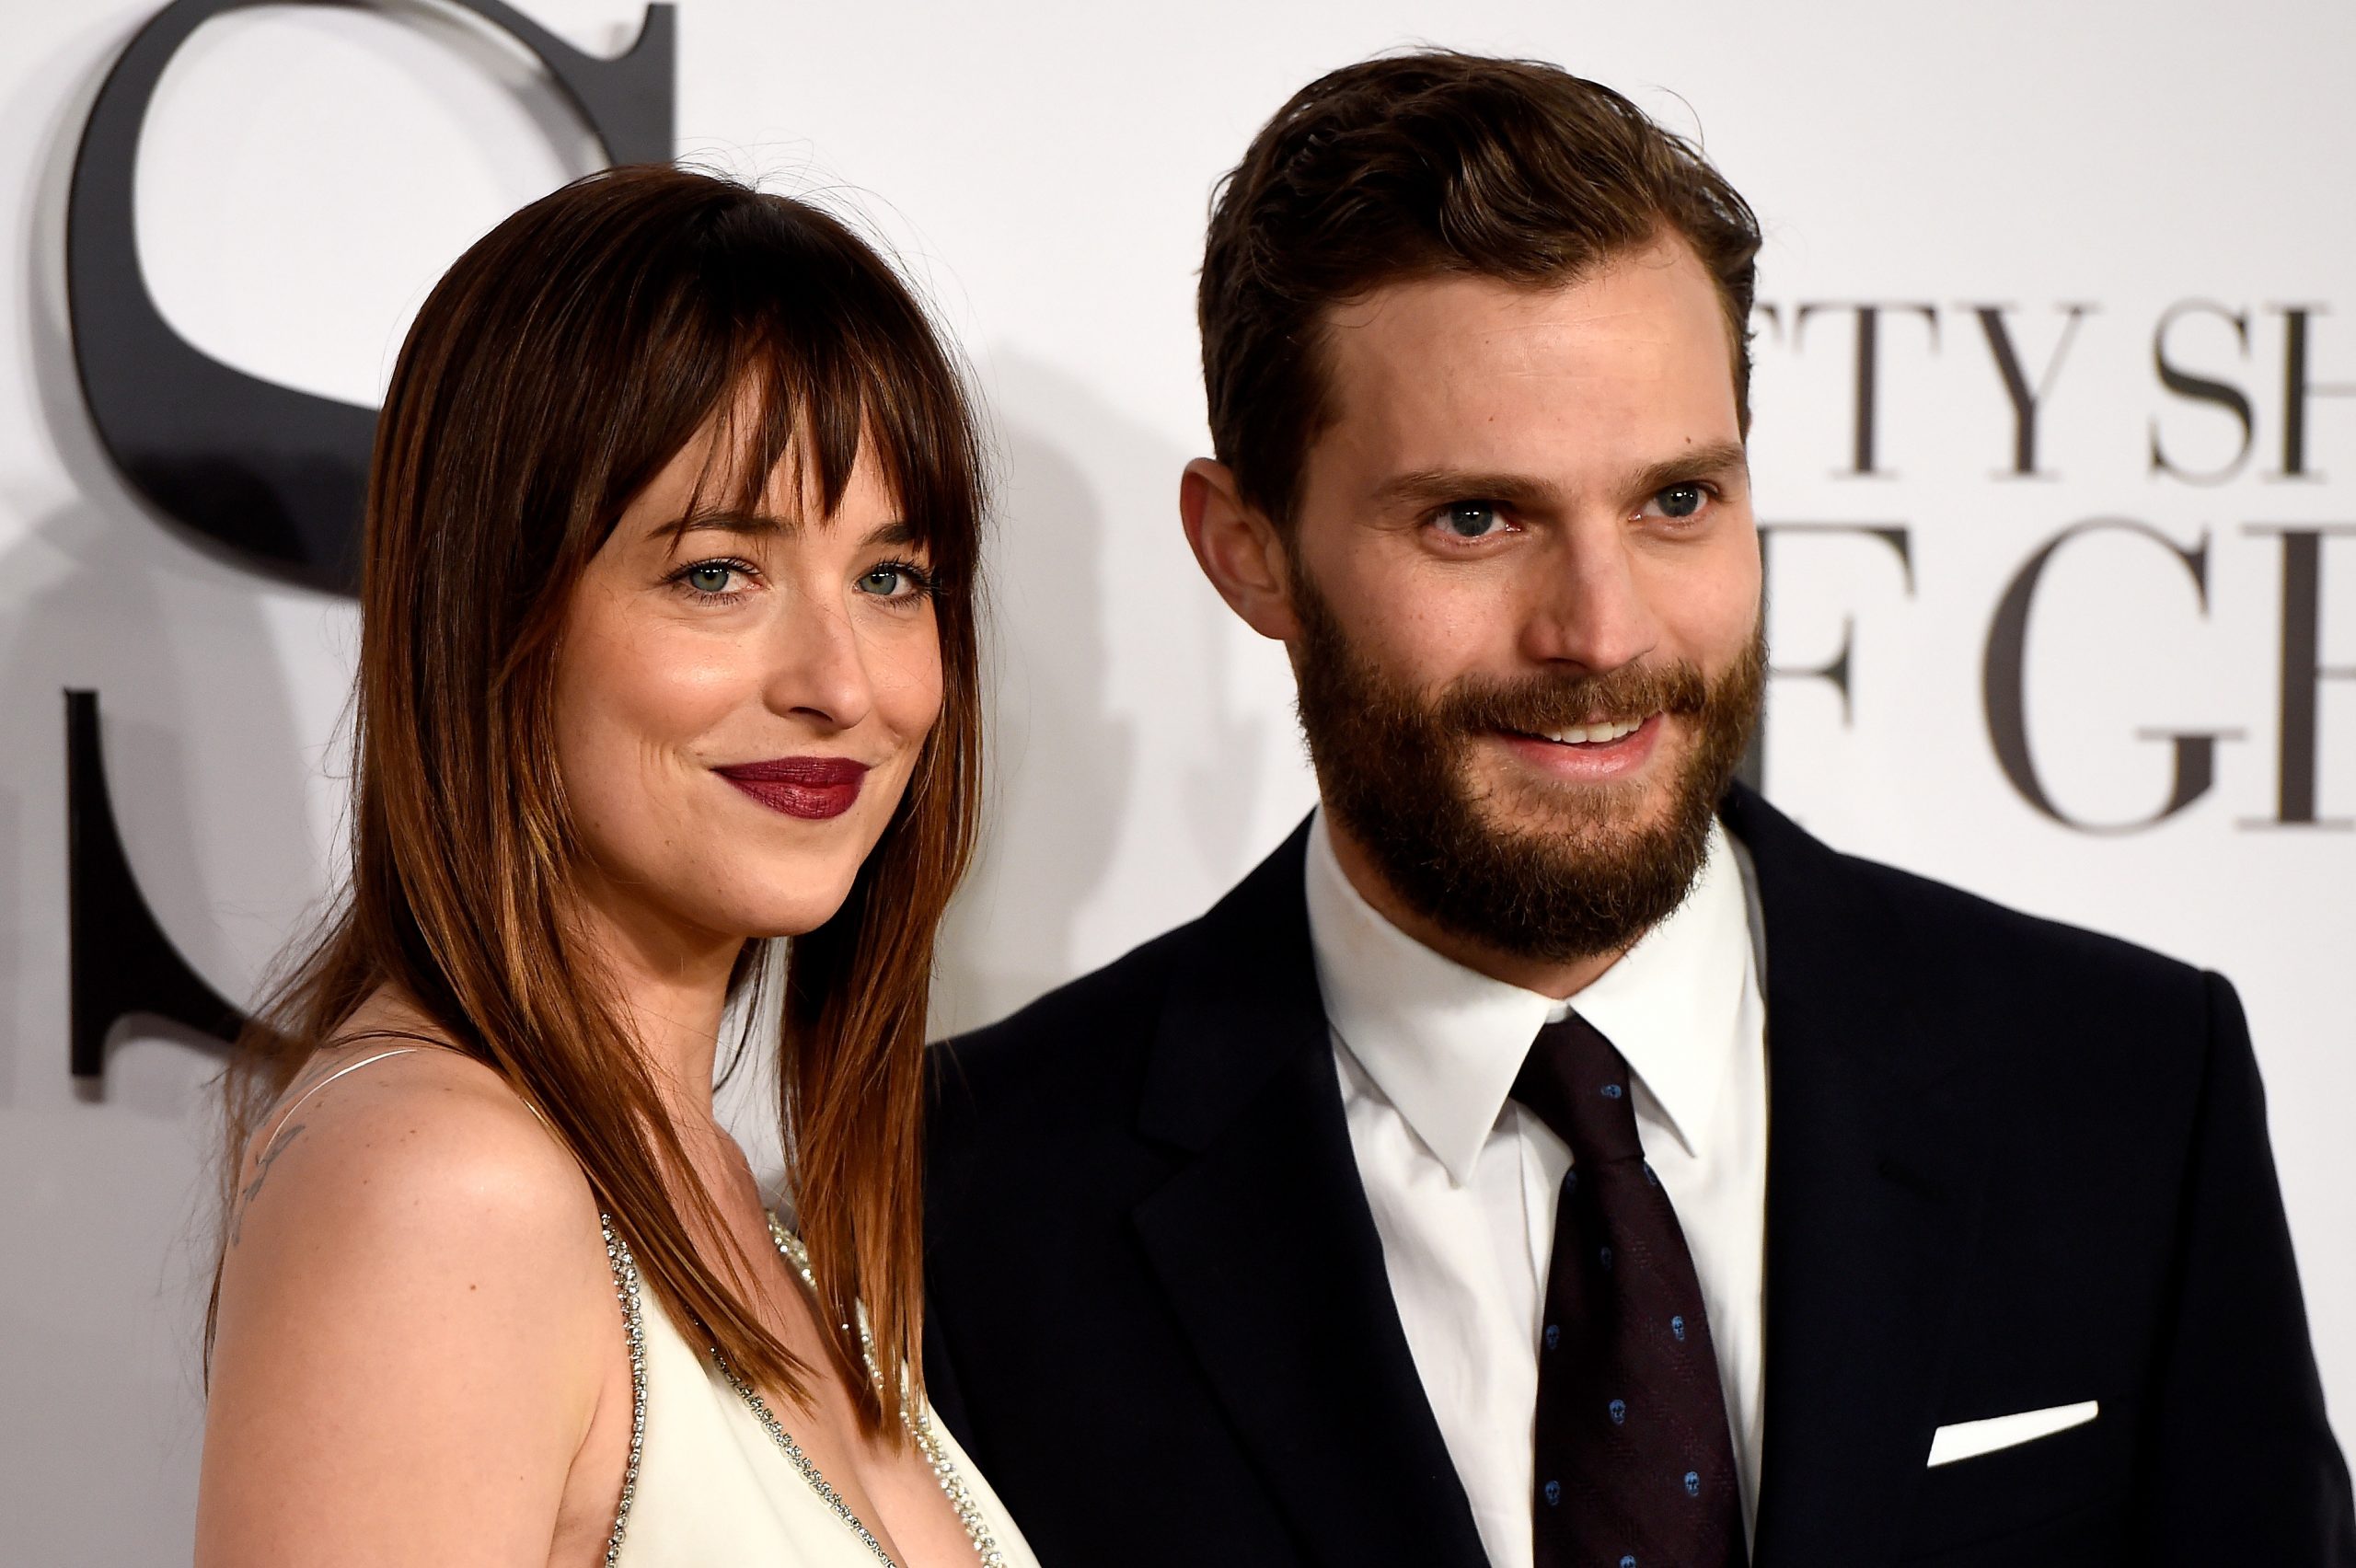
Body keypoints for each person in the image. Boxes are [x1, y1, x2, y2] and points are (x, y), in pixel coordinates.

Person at [922, 52, 2356, 1568]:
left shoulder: (2125, 1090)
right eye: (1476, 518)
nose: (1602, 633)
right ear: (1251, 552)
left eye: (1678, 501)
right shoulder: (971, 1202)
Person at [197, 166, 1036, 1568]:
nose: (843, 684)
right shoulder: (448, 1188)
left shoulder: (714, 1188)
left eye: (893, 577)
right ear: (492, 617)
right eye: (719, 572)